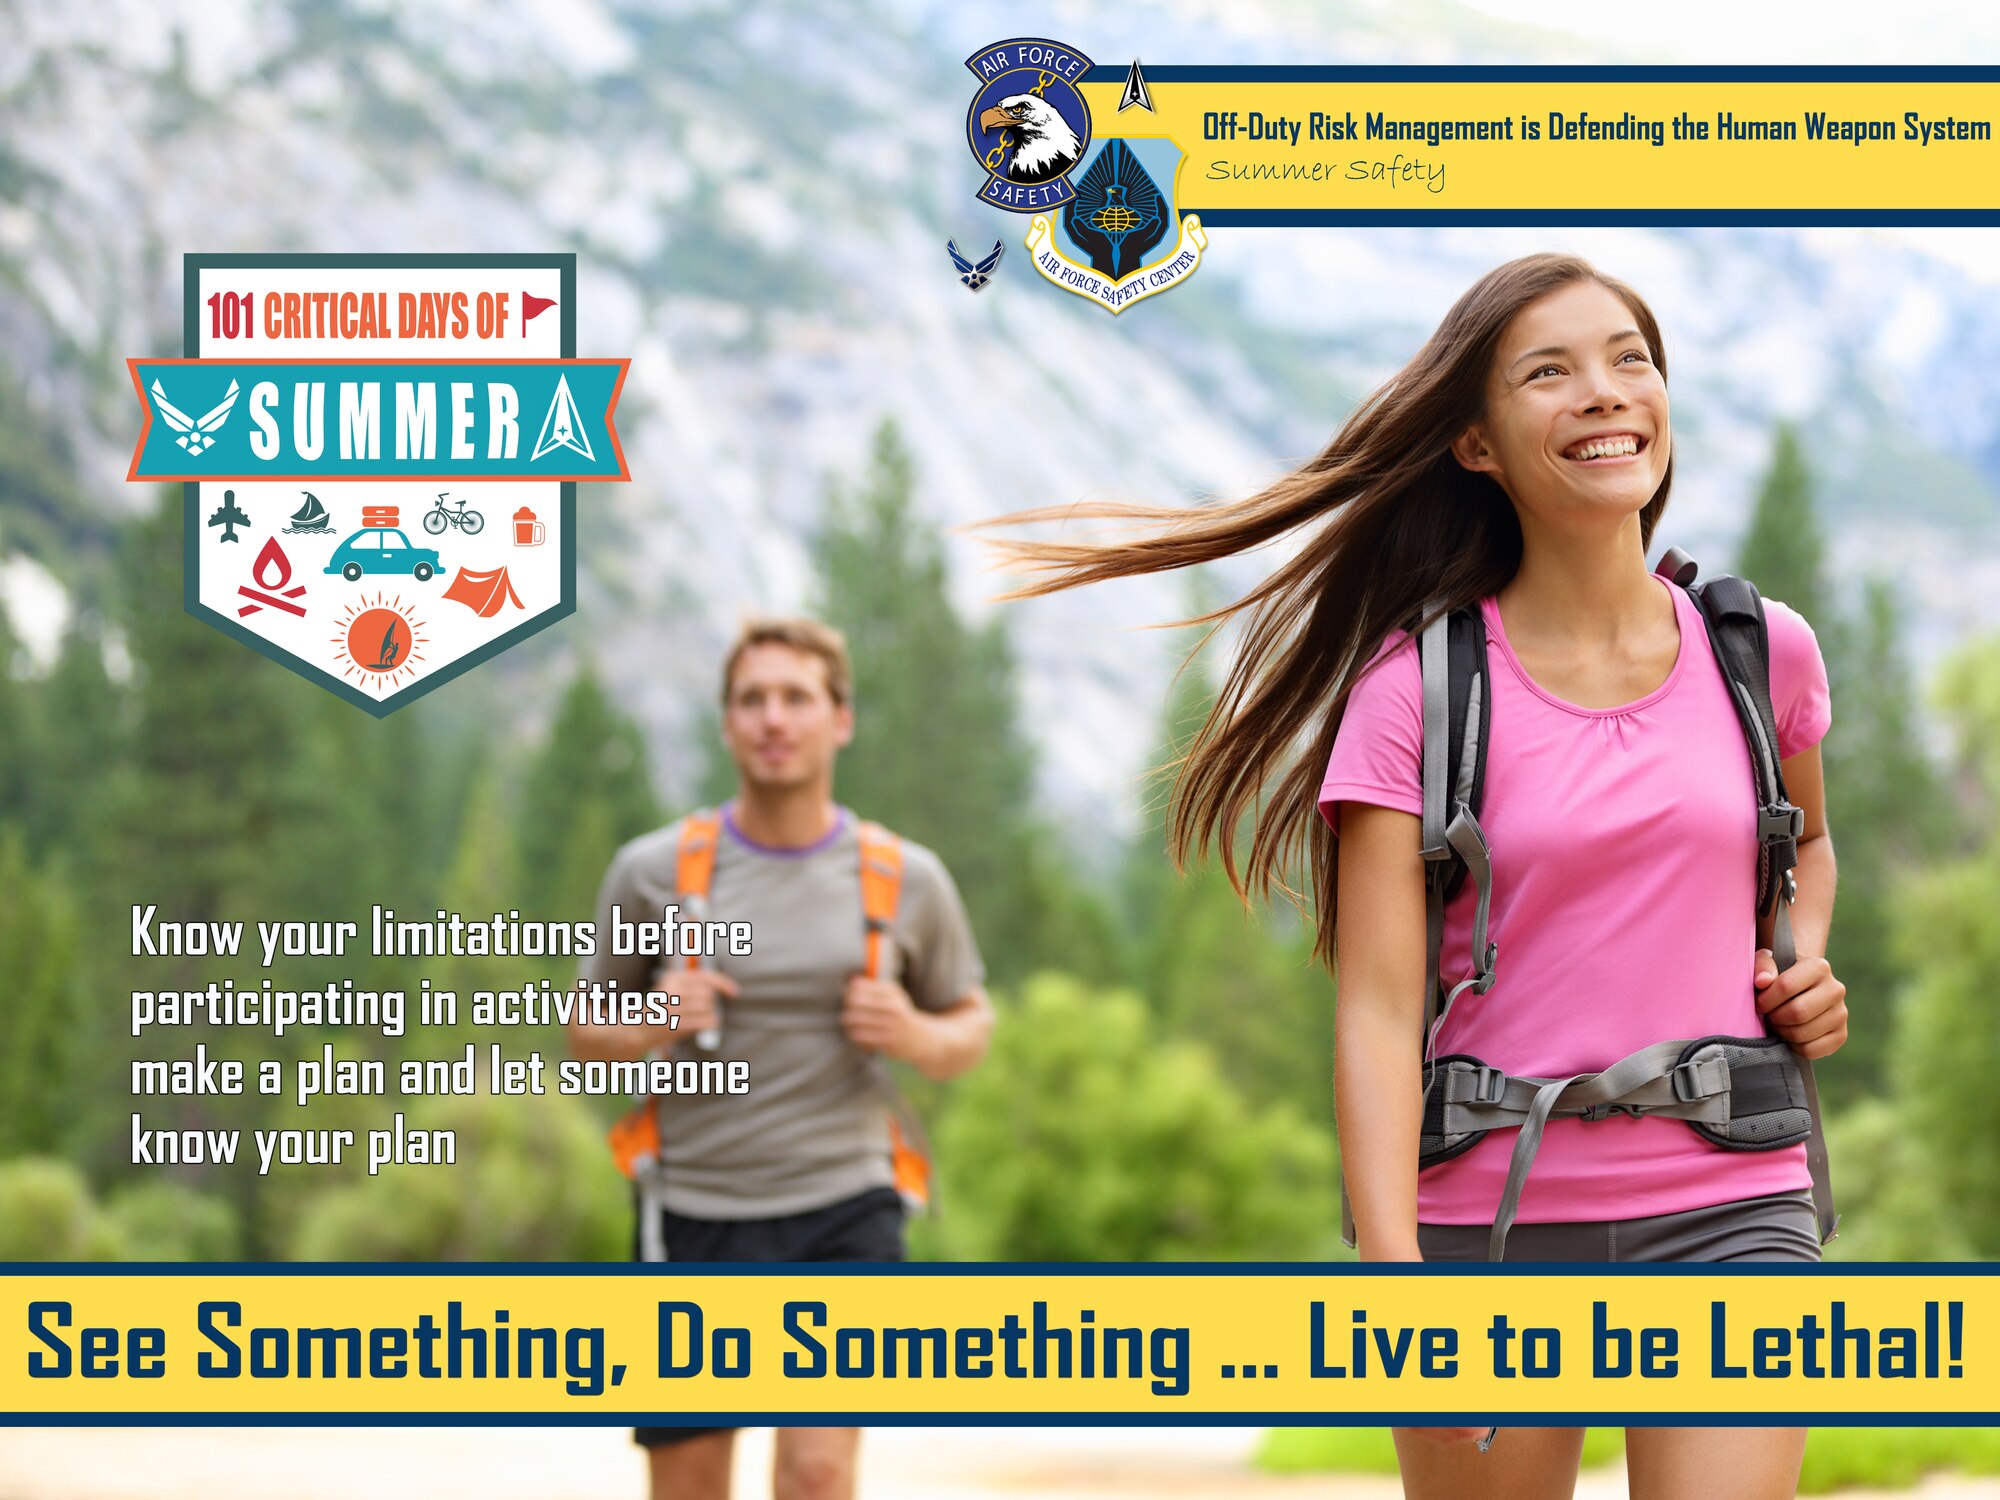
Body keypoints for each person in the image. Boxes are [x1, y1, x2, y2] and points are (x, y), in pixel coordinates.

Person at [982, 253, 1847, 1499]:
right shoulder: (1415, 697)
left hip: (1731, 1204)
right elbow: (1380, 1010)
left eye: (1628, 359)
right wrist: (1395, 1292)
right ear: (1475, 445)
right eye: (1547, 372)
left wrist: (1798, 955)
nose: (1604, 393)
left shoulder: (1759, 651)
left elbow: (1802, 843)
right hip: (1490, 1226)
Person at [570, 616, 993, 1500]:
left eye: (796, 698)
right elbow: (583, 1033)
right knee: (690, 1487)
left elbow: (971, 1027)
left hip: (846, 1204)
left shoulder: (905, 878)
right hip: (691, 1210)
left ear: (839, 720)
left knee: (817, 1472)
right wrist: (651, 1021)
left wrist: (915, 1034)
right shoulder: (652, 872)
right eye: (751, 700)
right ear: (727, 724)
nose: (773, 718)